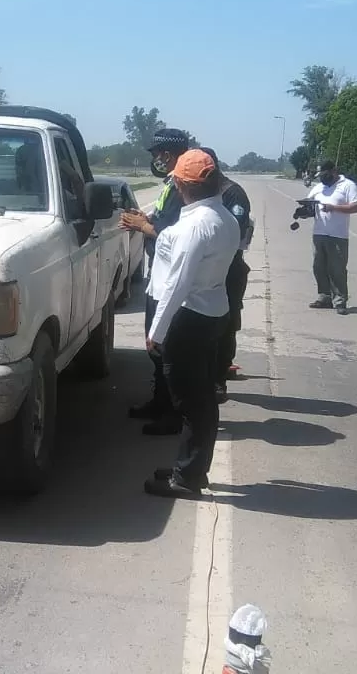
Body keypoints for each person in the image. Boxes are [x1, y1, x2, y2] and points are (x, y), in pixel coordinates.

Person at [142, 148, 240, 498]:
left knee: (191, 403)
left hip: (190, 315)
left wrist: (156, 331)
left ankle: (188, 477)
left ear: (182, 184)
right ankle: (190, 468)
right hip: (212, 312)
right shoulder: (224, 217)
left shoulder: (198, 225)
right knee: (200, 398)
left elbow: (178, 283)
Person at [119, 128, 192, 434]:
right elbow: (161, 222)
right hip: (158, 274)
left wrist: (143, 227)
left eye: (158, 154)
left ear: (169, 153)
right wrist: (145, 220)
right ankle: (159, 402)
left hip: (170, 278)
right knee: (155, 346)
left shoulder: (182, 189)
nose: (155, 160)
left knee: (165, 347)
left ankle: (173, 414)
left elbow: (174, 237)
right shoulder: (170, 185)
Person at [196, 148, 252, 403]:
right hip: (204, 268)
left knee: (226, 324)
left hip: (229, 268)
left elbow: (234, 230)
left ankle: (218, 379)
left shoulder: (232, 193)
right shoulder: (199, 191)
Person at [306, 160, 357, 315]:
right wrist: (303, 211)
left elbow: (356, 207)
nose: (322, 178)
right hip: (319, 233)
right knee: (319, 267)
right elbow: (309, 205)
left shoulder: (348, 185)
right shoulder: (318, 187)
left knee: (337, 269)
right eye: (320, 175)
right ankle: (324, 297)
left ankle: (340, 301)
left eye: (324, 174)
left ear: (334, 171)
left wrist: (334, 208)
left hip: (338, 235)